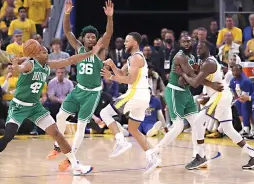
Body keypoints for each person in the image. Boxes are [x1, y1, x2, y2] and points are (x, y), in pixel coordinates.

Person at [0, 39, 103, 177]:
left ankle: (76, 165)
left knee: (58, 134)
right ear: (36, 54)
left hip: (35, 107)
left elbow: (70, 60)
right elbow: (19, 69)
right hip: (19, 106)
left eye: (47, 51)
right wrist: (16, 65)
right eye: (43, 51)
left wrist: (90, 53)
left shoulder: (47, 65)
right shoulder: (30, 64)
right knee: (9, 135)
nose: (46, 53)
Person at [46, 0, 113, 171]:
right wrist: (67, 13)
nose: (91, 39)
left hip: (92, 93)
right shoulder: (78, 48)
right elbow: (67, 30)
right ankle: (57, 146)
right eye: (88, 37)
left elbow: (108, 33)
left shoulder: (100, 50)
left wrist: (109, 18)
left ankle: (71, 158)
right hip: (78, 90)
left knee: (82, 125)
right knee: (60, 116)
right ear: (83, 38)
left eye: (93, 37)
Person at [148, 36, 223, 174]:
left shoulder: (193, 57)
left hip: (186, 93)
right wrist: (211, 84)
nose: (187, 43)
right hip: (175, 92)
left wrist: (191, 75)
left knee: (197, 123)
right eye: (184, 41)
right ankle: (155, 152)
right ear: (179, 43)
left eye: (189, 41)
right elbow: (194, 76)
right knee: (179, 126)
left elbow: (194, 76)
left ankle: (198, 156)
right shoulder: (180, 57)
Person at [176, 42, 254, 170]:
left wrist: (183, 74)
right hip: (218, 95)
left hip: (220, 96)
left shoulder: (209, 63)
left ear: (208, 48)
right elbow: (197, 79)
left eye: (201, 47)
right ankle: (252, 154)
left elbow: (195, 82)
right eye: (197, 48)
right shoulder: (204, 63)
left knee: (197, 121)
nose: (198, 50)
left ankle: (200, 156)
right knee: (228, 129)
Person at [99, 32, 159, 175]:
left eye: (127, 41)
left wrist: (111, 77)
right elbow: (121, 73)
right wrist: (113, 66)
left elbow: (130, 80)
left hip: (135, 94)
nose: (125, 43)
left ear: (135, 43)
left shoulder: (136, 57)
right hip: (142, 96)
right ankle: (152, 157)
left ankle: (121, 141)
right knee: (133, 129)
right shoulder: (133, 58)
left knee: (104, 112)